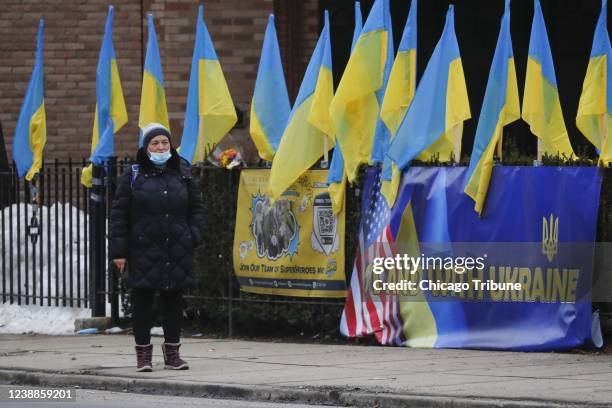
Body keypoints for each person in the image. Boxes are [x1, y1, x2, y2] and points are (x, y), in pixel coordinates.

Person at [109, 123, 203, 372]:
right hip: (143, 250)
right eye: (155, 143)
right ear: (146, 147)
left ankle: (173, 355)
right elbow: (119, 215)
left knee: (173, 302)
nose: (161, 147)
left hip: (176, 248)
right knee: (143, 303)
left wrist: (192, 235)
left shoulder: (182, 171)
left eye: (165, 142)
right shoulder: (133, 174)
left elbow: (196, 208)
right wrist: (119, 252)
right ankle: (143, 357)